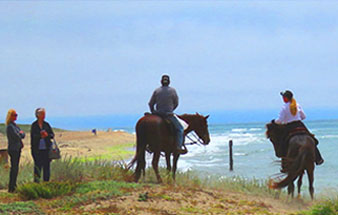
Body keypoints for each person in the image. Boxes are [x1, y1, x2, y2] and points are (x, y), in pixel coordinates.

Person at [275, 90, 324, 169]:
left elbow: (280, 120)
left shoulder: (284, 107)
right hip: (300, 124)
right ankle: (318, 158)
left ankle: (284, 165)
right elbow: (304, 117)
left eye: (283, 97)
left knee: (283, 143)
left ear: (286, 98)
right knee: (312, 139)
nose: (283, 99)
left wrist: (275, 122)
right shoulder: (297, 105)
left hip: (289, 126)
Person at [148, 75, 187, 154]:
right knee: (180, 129)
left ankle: (148, 145)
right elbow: (176, 103)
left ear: (161, 82)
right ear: (169, 82)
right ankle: (178, 147)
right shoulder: (172, 91)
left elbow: (150, 103)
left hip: (158, 114)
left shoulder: (156, 91)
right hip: (168, 115)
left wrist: (153, 112)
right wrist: (171, 109)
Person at [31, 108, 54, 182]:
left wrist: (47, 135)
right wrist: (40, 136)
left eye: (44, 114)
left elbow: (52, 135)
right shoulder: (34, 125)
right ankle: (36, 184)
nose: (44, 115)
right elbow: (33, 137)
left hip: (46, 150)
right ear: (38, 115)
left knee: (46, 168)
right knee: (37, 168)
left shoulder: (46, 124)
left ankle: (46, 184)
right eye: (42, 114)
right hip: (37, 150)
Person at [6, 109, 25, 192]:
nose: (16, 116)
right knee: (14, 168)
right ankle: (11, 187)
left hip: (17, 148)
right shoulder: (10, 126)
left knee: (16, 168)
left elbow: (22, 134)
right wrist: (20, 134)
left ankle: (14, 185)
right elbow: (17, 136)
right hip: (13, 149)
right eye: (14, 115)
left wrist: (21, 134)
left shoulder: (15, 125)